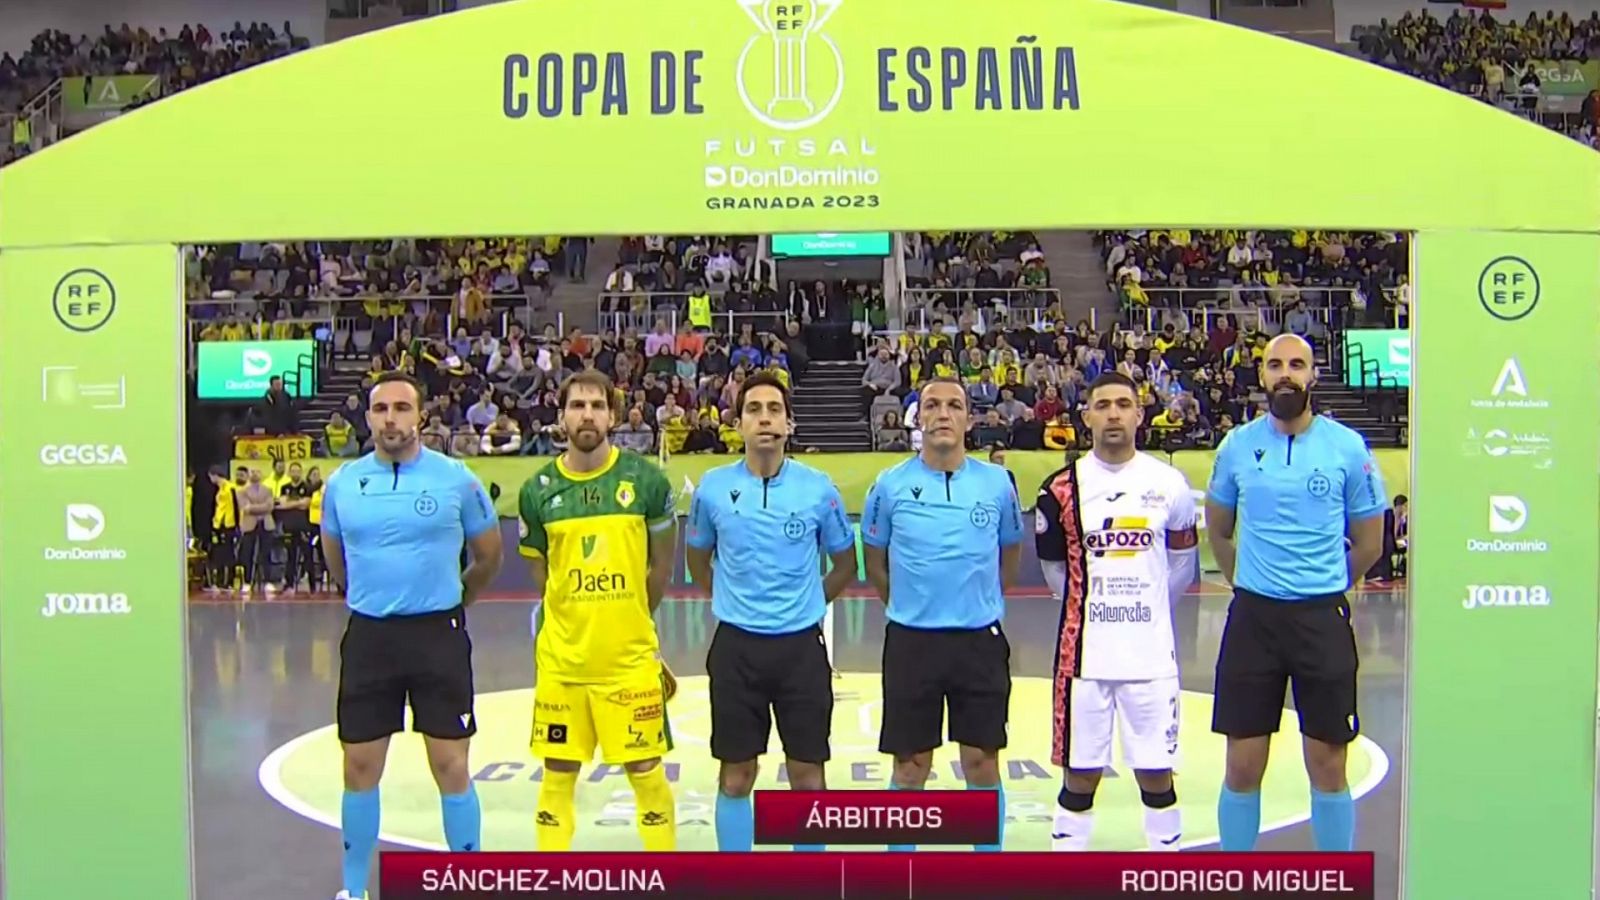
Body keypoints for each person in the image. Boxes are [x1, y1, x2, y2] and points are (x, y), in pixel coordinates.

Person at [320, 371, 505, 900]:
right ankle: (353, 891)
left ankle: (467, 879)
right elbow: (336, 556)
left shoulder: (457, 479)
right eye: (381, 410)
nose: (392, 419)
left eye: (402, 408)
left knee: (450, 764)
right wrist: (366, 594)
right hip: (370, 637)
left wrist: (453, 601)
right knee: (359, 765)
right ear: (368, 417)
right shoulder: (343, 484)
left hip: (437, 638)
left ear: (419, 416)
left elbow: (488, 554)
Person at [1205, 334, 1386, 853]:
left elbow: (1370, 542)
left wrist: (1321, 583)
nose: (1286, 373)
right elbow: (1219, 530)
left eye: (1297, 364)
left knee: (1328, 763)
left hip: (1321, 619)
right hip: (1253, 621)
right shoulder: (1237, 446)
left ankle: (1335, 878)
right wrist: (1253, 580)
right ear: (1262, 376)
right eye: (1275, 364)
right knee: (1242, 763)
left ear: (1313, 376)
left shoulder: (1347, 447)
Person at [684, 372, 858, 853]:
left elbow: (845, 562)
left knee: (807, 774)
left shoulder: (818, 488)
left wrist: (808, 605)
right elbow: (698, 556)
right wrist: (728, 599)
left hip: (801, 649)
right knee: (737, 776)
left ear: (789, 423)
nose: (765, 418)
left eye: (774, 409)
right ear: (737, 423)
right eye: (754, 409)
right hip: (736, 649)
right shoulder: (713, 490)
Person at [1032, 373, 1198, 852]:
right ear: (1085, 416)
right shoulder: (1060, 489)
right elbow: (1054, 573)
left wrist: (1146, 614)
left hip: (1150, 659)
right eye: (1102, 404)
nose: (1112, 413)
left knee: (1156, 773)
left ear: (1139, 414)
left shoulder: (1169, 485)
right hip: (1083, 661)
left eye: (1123, 404)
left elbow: (1182, 566)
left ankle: (1165, 867)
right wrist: (1092, 616)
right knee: (1080, 775)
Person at [518, 370, 680, 852]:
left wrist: (626, 618)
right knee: (557, 774)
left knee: (646, 772)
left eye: (596, 405)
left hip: (627, 663)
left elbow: (660, 568)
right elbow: (542, 577)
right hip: (563, 665)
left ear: (612, 415)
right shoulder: (537, 490)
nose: (586, 414)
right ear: (562, 416)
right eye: (576, 405)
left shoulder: (646, 481)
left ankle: (663, 877)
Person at [862, 376, 1024, 853]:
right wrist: (912, 606)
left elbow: (1008, 553)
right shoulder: (889, 486)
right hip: (913, 643)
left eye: (954, 405)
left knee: (981, 763)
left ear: (968, 419)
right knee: (910, 768)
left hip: (979, 642)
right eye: (932, 405)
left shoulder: (996, 484)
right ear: (919, 418)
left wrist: (983, 601)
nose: (943, 413)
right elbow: (876, 561)